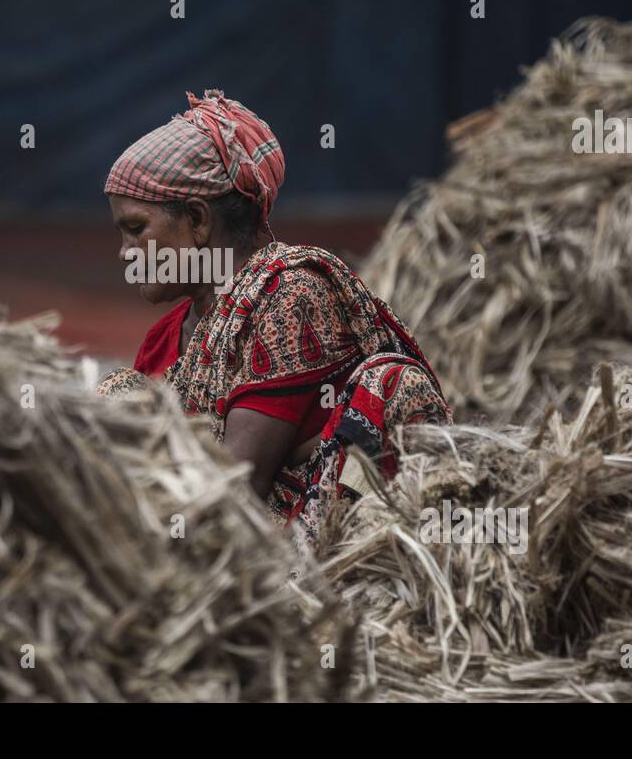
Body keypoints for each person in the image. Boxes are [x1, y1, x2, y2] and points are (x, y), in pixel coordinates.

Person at [98, 89, 450, 545]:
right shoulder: (167, 337)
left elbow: (236, 492)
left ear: (198, 219)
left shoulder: (291, 298)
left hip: (296, 579)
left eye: (136, 229)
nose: (126, 254)